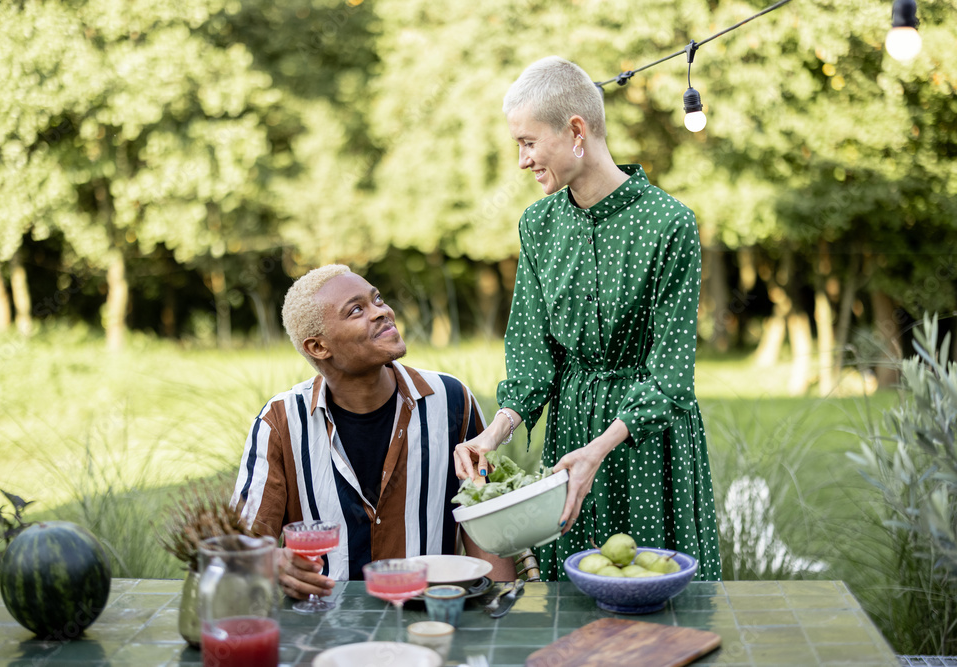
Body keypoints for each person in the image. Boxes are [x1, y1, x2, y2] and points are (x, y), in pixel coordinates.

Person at [454, 56, 722, 582]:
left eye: (528, 143)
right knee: (574, 609)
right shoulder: (538, 224)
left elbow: (670, 378)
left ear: (576, 130)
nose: (522, 161)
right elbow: (533, 362)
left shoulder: (670, 223)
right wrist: (494, 434)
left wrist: (600, 448)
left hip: (647, 441)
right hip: (570, 434)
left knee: (648, 589)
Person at [233, 264, 516, 600]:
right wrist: (271, 562)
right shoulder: (280, 421)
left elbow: (486, 531)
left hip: (430, 619)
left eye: (377, 299)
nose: (382, 312)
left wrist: (502, 608)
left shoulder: (453, 400)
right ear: (318, 347)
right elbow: (241, 550)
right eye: (357, 310)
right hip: (325, 628)